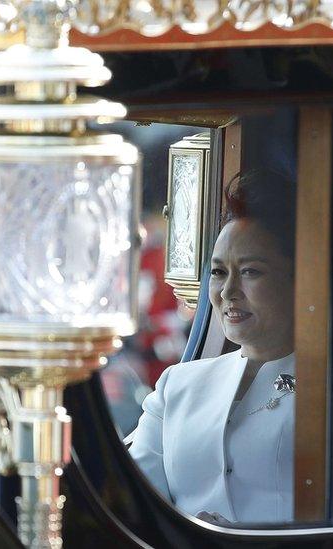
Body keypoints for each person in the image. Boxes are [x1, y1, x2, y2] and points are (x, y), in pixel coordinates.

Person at [127, 169, 296, 523]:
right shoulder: (178, 385)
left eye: (250, 272)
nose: (228, 292)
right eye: (219, 273)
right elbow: (136, 505)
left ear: (300, 278)